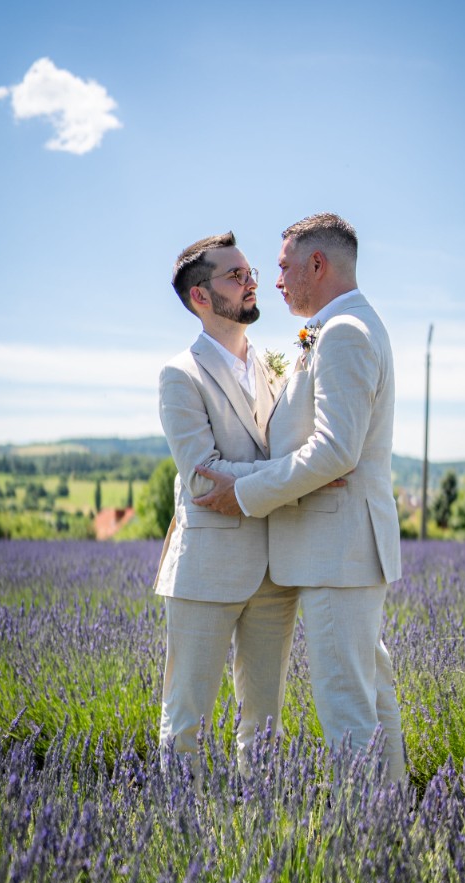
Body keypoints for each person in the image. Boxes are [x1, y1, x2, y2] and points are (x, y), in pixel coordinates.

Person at [193, 213, 405, 785]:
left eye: (284, 265)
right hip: (340, 548)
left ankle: (368, 846)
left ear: (319, 263)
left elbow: (336, 449)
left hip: (339, 549)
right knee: (370, 692)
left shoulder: (344, 334)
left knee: (347, 709)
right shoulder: (344, 327)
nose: (276, 279)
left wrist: (247, 492)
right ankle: (393, 827)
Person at [154, 231, 299, 783]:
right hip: (206, 570)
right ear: (200, 296)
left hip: (274, 568)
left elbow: (255, 461)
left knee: (264, 728)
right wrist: (298, 477)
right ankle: (176, 834)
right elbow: (201, 478)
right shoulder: (180, 375)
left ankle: (255, 838)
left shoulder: (272, 366)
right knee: (185, 720)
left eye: (251, 272)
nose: (252, 282)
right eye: (235, 276)